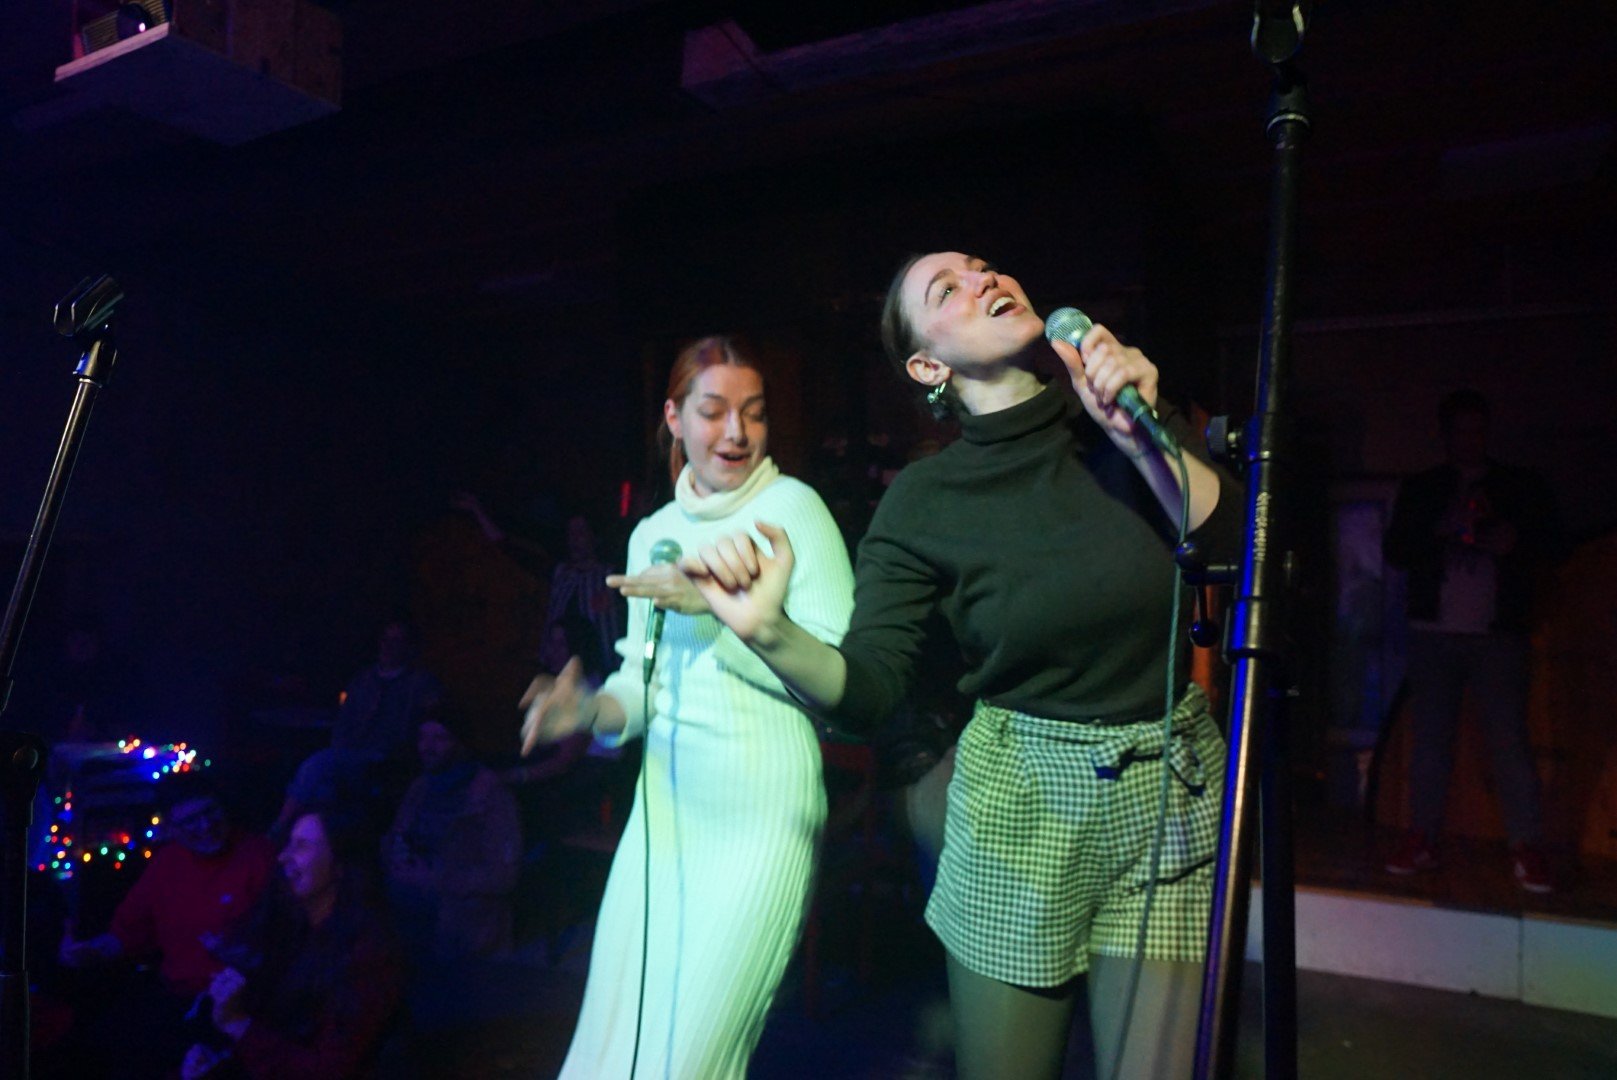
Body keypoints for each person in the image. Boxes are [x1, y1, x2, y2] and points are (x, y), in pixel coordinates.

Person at [678, 253, 1241, 1079]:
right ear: (926, 366)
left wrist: (1139, 433)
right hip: (1022, 809)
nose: (983, 281)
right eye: (948, 289)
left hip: (1168, 789)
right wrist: (771, 633)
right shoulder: (924, 500)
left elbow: (1235, 557)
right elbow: (871, 691)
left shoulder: (1124, 422)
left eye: (983, 269)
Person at [519, 335, 855, 1078]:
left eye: (753, 413)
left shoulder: (792, 511)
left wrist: (720, 610)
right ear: (673, 418)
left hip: (761, 815)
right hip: (665, 821)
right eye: (713, 412)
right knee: (610, 1053)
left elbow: (839, 682)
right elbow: (641, 688)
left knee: (692, 1060)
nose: (736, 432)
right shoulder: (654, 536)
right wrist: (588, 712)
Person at [1382, 388, 1561, 892]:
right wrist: (1438, 530)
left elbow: (1553, 544)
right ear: (1446, 436)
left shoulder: (1517, 487)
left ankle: (1526, 846)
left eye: (1478, 431)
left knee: (1509, 744)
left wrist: (1514, 541)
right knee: (1429, 745)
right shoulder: (1425, 488)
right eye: (1461, 431)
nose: (1470, 440)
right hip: (1434, 633)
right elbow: (1396, 549)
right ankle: (1423, 838)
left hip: (1496, 634)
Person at [58, 771, 277, 1077]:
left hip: (246, 1001)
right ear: (172, 828)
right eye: (191, 821)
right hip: (177, 997)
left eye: (210, 812)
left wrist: (244, 955)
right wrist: (89, 952)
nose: (206, 826)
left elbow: (289, 939)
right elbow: (126, 935)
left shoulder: (258, 855)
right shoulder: (166, 864)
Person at [180, 803, 405, 1079]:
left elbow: (329, 1070)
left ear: (341, 864)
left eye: (301, 846)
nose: (283, 857)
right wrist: (221, 1058)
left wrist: (237, 1024)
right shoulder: (292, 928)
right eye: (287, 844)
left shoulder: (368, 955)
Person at [277, 621, 443, 835]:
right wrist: (340, 751)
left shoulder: (421, 684)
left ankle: (279, 829)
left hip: (388, 760)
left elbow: (431, 722)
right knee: (322, 790)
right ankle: (311, 843)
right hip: (352, 756)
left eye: (396, 641)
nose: (388, 646)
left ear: (408, 646)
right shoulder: (363, 679)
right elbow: (343, 721)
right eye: (385, 640)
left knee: (316, 765)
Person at [385, 708, 523, 959]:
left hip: (465, 915)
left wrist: (438, 878)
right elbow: (396, 837)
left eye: (439, 738)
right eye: (423, 738)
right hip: (412, 902)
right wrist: (398, 857)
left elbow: (504, 875)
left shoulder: (490, 793)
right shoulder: (420, 786)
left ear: (460, 743)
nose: (428, 747)